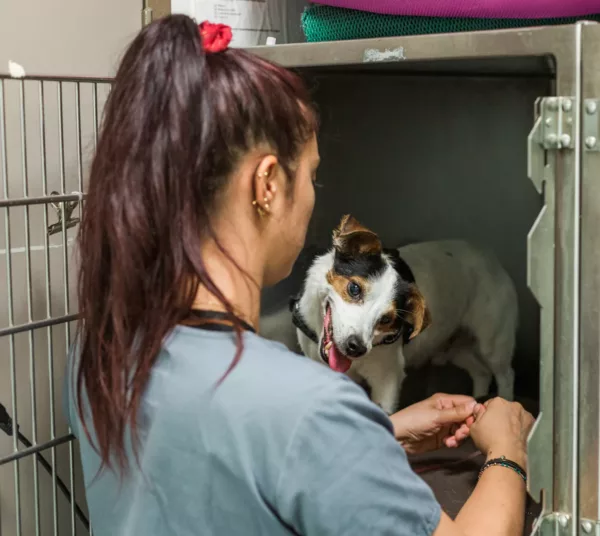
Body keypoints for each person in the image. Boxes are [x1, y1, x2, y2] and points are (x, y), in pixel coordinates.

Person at [64, 15, 535, 536]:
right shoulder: (307, 409)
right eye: (311, 173)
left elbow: (239, 462)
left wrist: (379, 433)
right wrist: (508, 447)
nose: (314, 194)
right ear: (267, 184)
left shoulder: (100, 354)